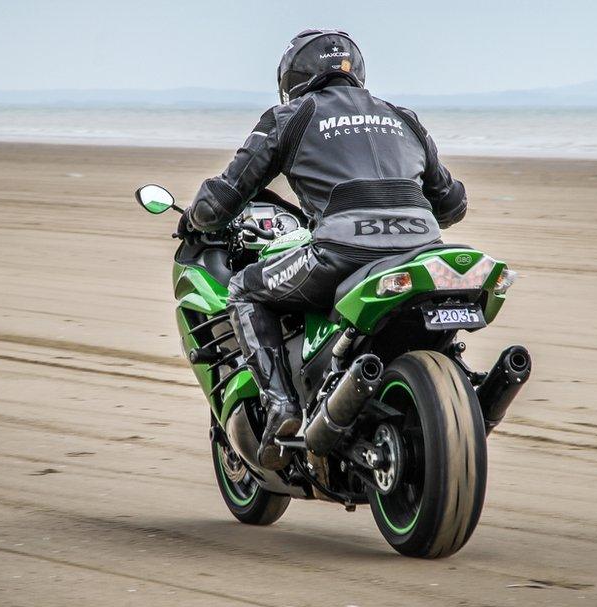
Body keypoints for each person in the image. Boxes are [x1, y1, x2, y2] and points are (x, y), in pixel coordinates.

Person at [180, 29, 468, 469]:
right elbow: (452, 203)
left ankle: (281, 404)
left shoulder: (292, 115)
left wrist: (196, 217)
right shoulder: (402, 117)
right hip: (421, 251)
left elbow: (223, 197)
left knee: (244, 289)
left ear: (293, 75)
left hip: (341, 253)